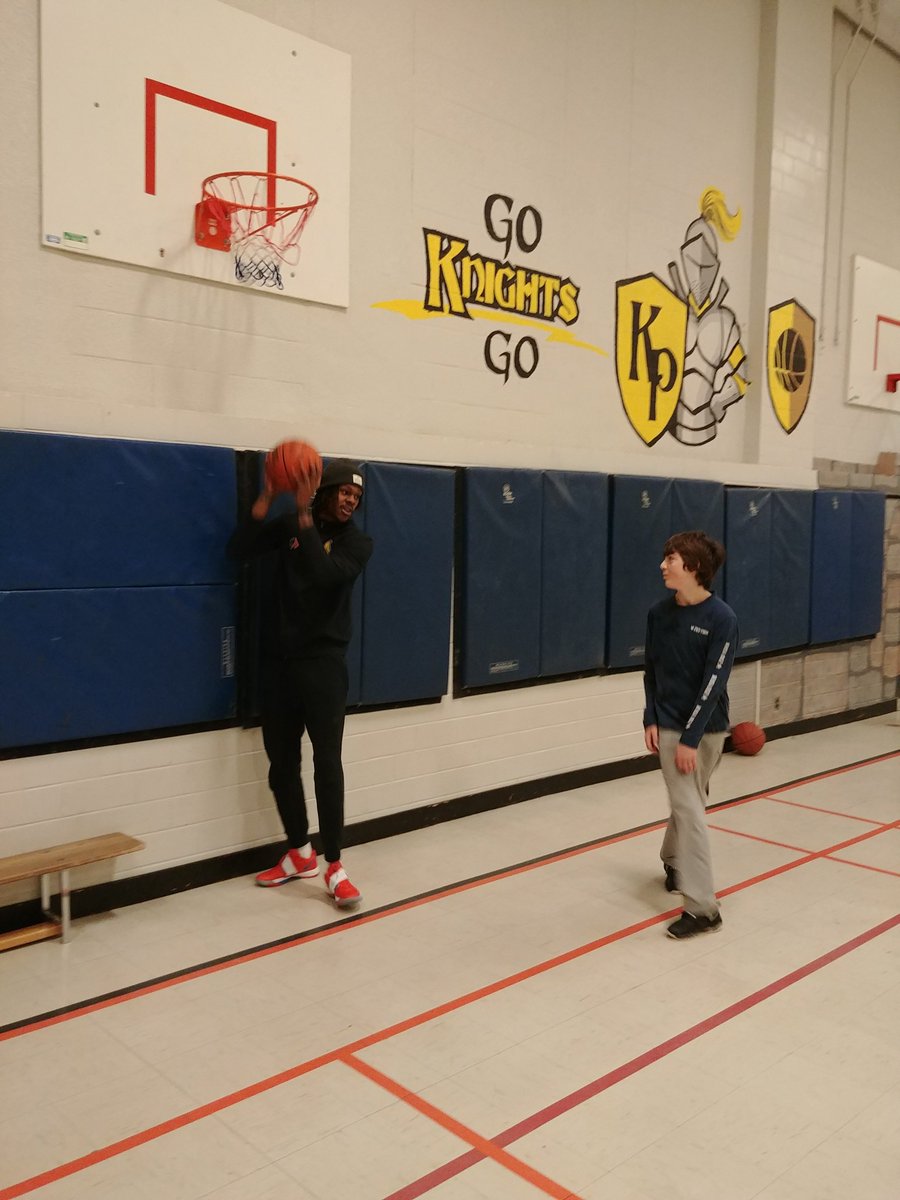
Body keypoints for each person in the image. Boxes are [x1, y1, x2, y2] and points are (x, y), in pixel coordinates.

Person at [228, 455, 373, 908]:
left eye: (357, 495)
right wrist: (269, 497)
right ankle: (299, 851)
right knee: (281, 763)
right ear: (326, 490)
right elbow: (240, 549)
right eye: (345, 492)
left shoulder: (358, 543)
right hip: (279, 664)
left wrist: (305, 515)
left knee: (327, 764)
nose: (351, 500)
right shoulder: (292, 524)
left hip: (323, 666)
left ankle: (334, 865)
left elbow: (324, 573)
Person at [642, 529, 737, 939]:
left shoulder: (722, 619)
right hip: (667, 725)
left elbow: (713, 683)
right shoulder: (658, 615)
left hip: (706, 730)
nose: (664, 565)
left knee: (689, 801)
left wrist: (690, 738)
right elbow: (651, 670)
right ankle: (702, 907)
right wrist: (651, 717)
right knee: (690, 808)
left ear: (694, 568)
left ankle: (673, 859)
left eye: (672, 559)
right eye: (665, 557)